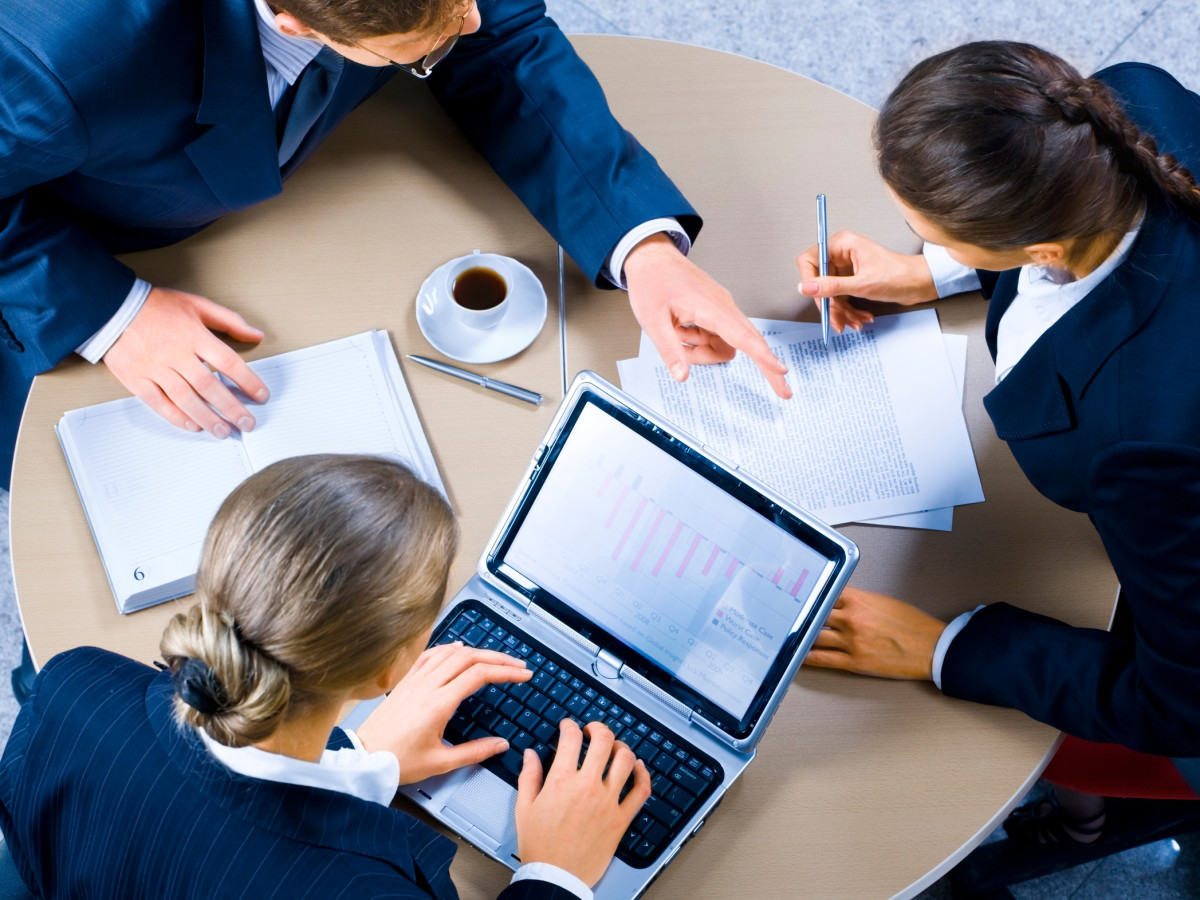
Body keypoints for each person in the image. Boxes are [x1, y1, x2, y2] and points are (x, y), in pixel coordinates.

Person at [0, 0, 792, 493]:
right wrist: (114, 314)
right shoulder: (54, 61)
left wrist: (645, 250)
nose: (474, 15)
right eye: (434, 28)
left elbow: (503, 42)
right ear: (295, 24)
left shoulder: (450, 8)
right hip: (71, 235)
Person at [795, 41, 1200, 845]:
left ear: (1041, 249)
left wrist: (944, 648)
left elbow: (1179, 703)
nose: (916, 239)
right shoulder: (1122, 104)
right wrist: (939, 270)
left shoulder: (1143, 444)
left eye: (927, 229)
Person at [0, 454, 651, 898]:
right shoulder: (358, 889)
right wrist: (552, 876)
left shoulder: (73, 685)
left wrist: (360, 763)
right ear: (391, 670)